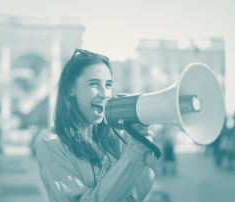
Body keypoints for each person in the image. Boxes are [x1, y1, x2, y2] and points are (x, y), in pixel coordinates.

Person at [35, 49, 157, 202]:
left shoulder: (115, 139)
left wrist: (142, 162)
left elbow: (130, 198)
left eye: (108, 85)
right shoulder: (50, 142)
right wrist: (133, 155)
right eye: (94, 84)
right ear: (70, 90)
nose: (105, 93)